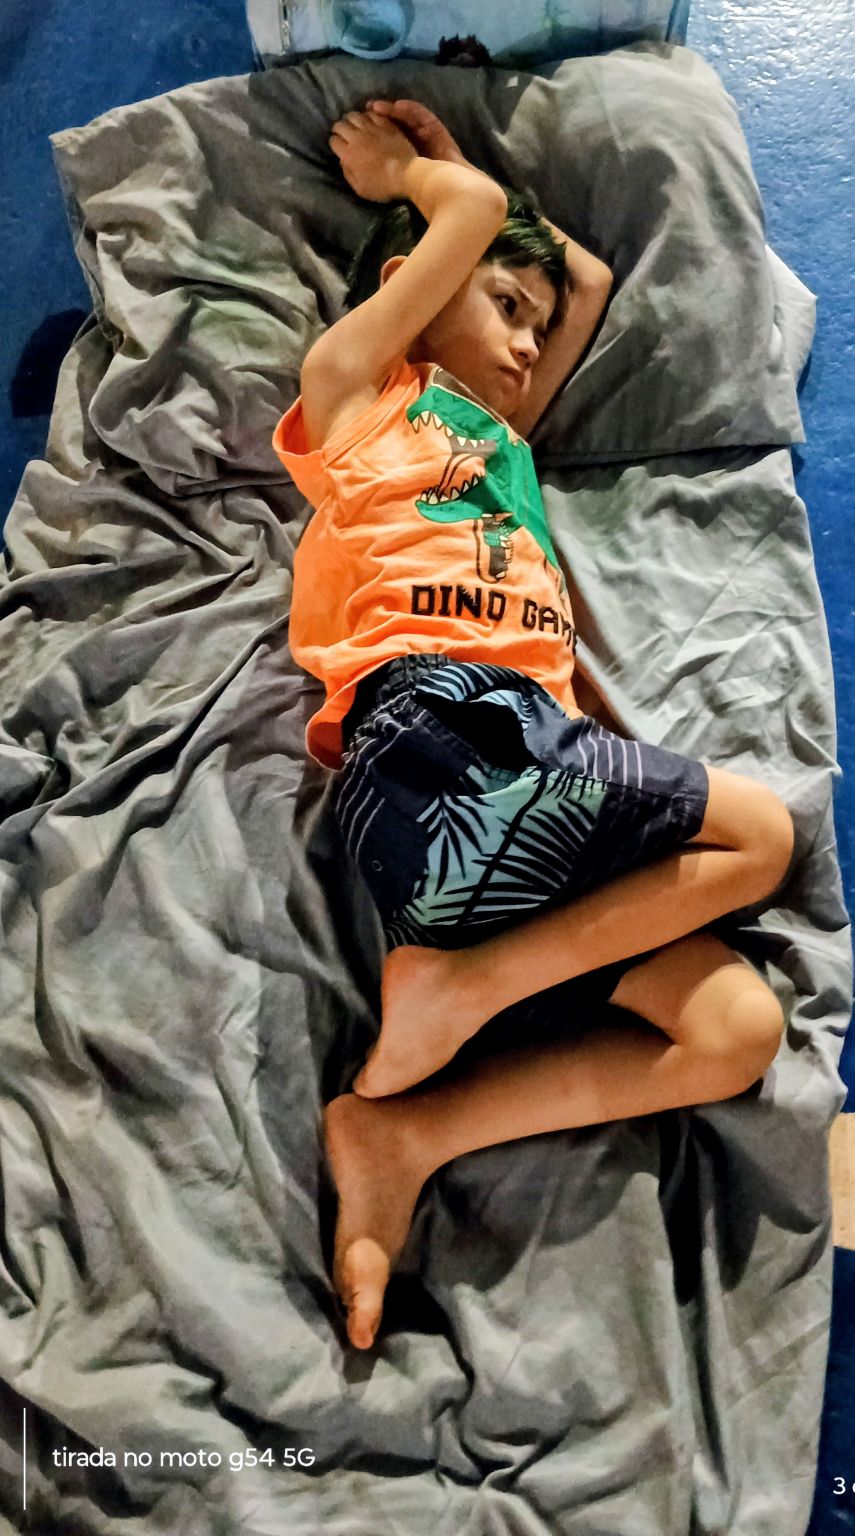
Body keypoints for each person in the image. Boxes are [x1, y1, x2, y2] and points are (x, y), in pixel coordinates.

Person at [272, 99, 795, 1350]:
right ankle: (458, 993)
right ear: (406, 285)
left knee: (737, 1032)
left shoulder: (499, 438)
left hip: (513, 815)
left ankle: (406, 1131)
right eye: (506, 307)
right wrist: (419, 175)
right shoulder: (357, 391)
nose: (525, 346)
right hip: (436, 730)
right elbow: (470, 217)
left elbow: (591, 281)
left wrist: (507, 237)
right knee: (761, 836)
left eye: (533, 328)